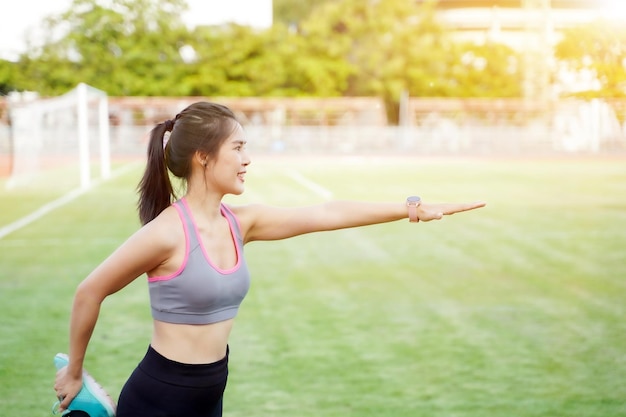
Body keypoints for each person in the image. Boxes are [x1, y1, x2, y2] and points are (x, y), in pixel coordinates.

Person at [53, 101, 485, 417]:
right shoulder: (166, 233)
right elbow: (90, 290)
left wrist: (410, 208)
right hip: (161, 398)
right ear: (204, 156)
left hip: (209, 395)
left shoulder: (241, 223)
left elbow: (324, 213)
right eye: (238, 148)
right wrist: (74, 371)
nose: (247, 159)